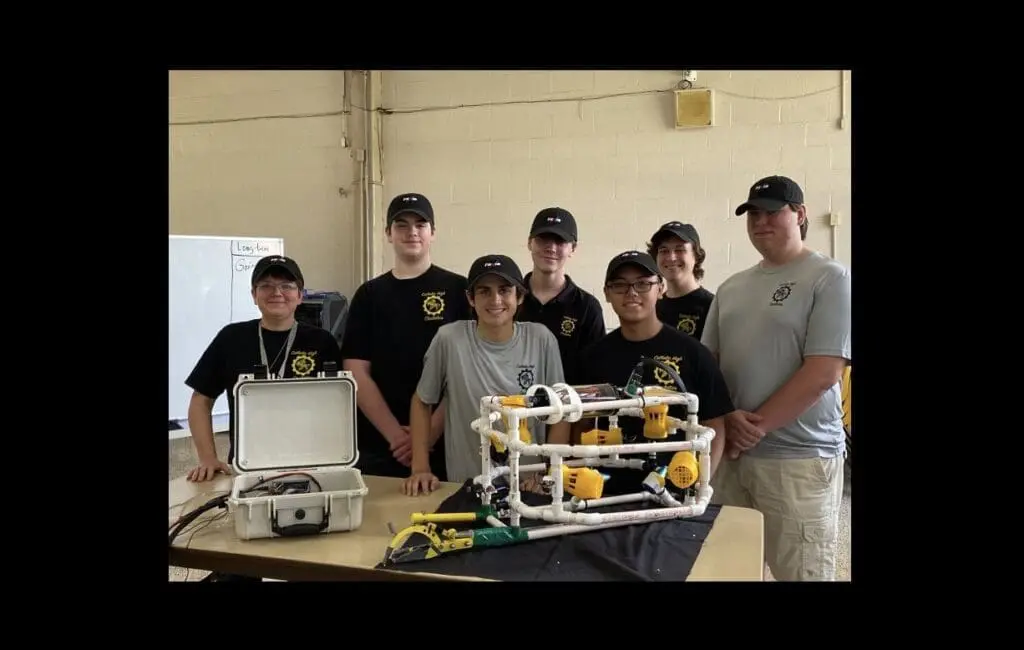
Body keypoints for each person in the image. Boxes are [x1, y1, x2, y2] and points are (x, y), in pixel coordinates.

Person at [701, 175, 851, 582]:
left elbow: (824, 371)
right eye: (753, 213)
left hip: (798, 460)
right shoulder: (731, 288)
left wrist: (758, 427)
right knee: (732, 571)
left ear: (800, 214)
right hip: (733, 456)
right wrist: (729, 421)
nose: (760, 221)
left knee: (800, 572)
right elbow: (710, 366)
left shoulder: (829, 277)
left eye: (772, 211)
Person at [404, 254, 570, 496]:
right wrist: (420, 467)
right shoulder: (450, 340)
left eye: (504, 290)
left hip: (529, 486)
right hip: (468, 486)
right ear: (471, 299)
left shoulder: (541, 339)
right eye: (484, 291)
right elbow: (422, 400)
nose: (495, 300)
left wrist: (548, 473)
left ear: (519, 296)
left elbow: (560, 411)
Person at [572, 251, 733, 496]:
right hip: (606, 493)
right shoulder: (592, 357)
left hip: (674, 490)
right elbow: (580, 425)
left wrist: (699, 484)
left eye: (643, 284)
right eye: (620, 285)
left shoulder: (692, 353)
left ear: (660, 288)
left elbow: (714, 425)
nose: (632, 293)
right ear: (606, 293)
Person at [341, 192, 470, 482]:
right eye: (401, 225)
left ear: (433, 233)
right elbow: (356, 371)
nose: (412, 232)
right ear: (388, 233)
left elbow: (467, 371)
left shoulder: (459, 290)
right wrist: (397, 436)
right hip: (382, 443)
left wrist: (428, 434)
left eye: (420, 224)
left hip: (445, 441)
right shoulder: (369, 295)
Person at [184, 255, 344, 483]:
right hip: (248, 467)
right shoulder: (231, 338)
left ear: (299, 295)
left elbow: (340, 407)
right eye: (266, 286)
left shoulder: (321, 342)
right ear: (254, 295)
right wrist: (208, 458)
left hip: (312, 464)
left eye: (287, 286)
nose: (276, 293)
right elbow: (200, 400)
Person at [516, 207, 605, 383]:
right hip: (512, 406)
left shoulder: (587, 307)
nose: (551, 248)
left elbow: (595, 376)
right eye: (543, 239)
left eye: (560, 241)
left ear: (573, 248)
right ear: (529, 243)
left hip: (567, 408)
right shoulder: (508, 300)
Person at [647, 221, 715, 340]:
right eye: (664, 251)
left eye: (680, 250)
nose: (671, 257)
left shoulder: (712, 307)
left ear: (696, 256)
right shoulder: (652, 308)